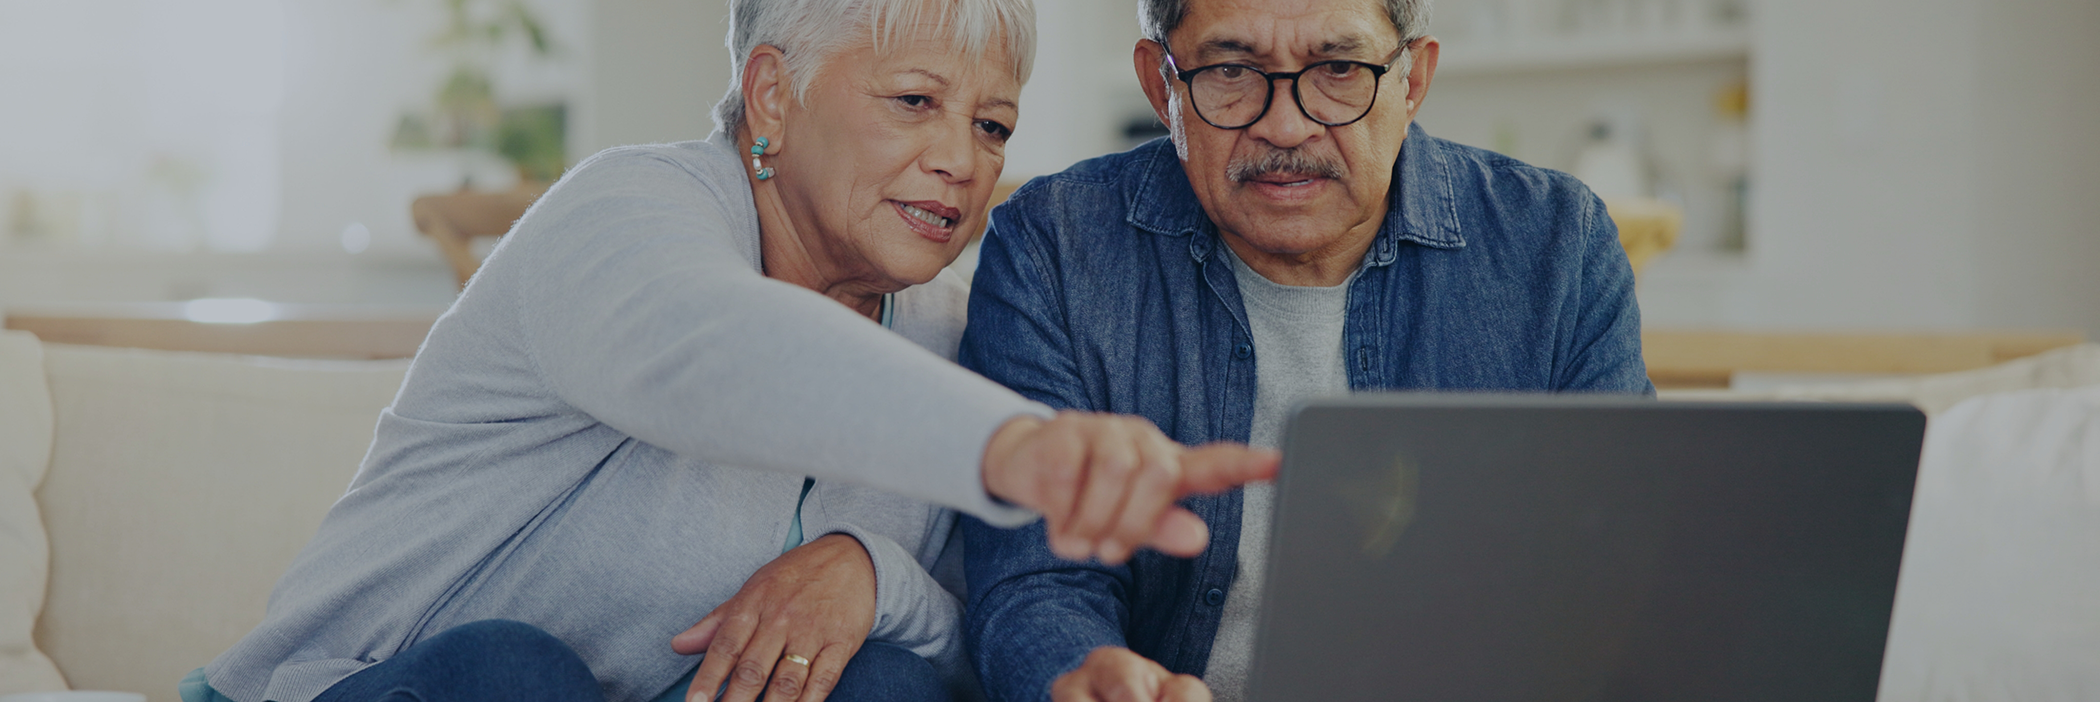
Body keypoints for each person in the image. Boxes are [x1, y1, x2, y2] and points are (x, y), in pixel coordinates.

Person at [183, 1, 1278, 701]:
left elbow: (969, 633)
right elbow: (711, 352)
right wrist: (1016, 447)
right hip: (376, 687)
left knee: (888, 684)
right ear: (772, 94)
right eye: (914, 102)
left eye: (992, 126)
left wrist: (870, 574)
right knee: (511, 671)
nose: (960, 159)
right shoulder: (625, 214)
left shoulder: (946, 331)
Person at [958, 0, 1655, 700]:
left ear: (1411, 81)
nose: (1286, 125)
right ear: (1160, 85)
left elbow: (1617, 569)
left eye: (1339, 68)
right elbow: (1034, 577)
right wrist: (1083, 673)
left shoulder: (1558, 246)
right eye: (1231, 69)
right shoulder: (1052, 247)